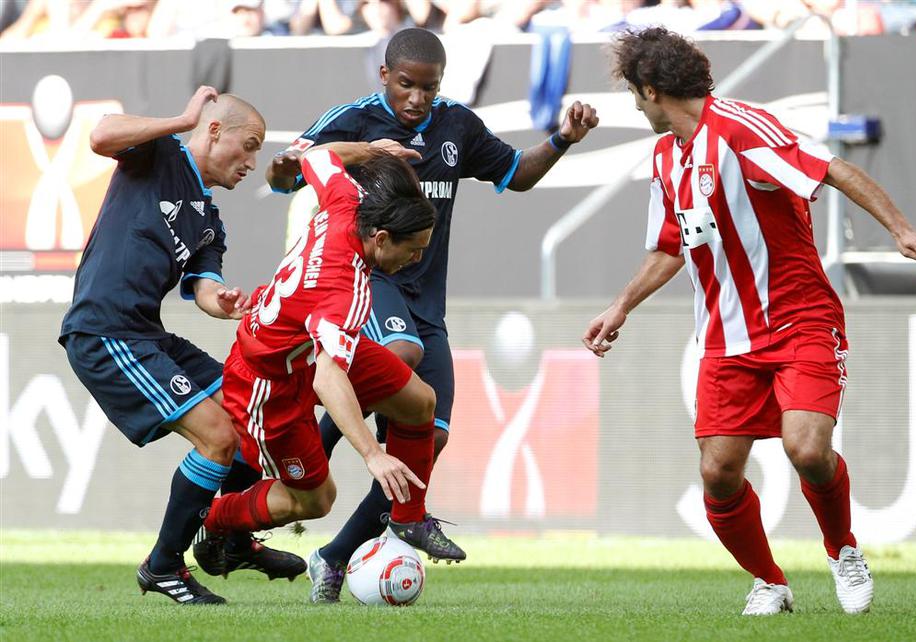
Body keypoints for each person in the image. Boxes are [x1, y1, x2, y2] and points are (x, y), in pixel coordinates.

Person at [584, 27, 916, 616]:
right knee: (718, 471)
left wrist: (901, 230)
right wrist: (621, 306)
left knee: (807, 448)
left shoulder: (742, 129)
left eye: (633, 94)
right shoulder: (665, 158)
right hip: (726, 338)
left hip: (800, 319)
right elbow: (672, 246)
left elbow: (832, 169)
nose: (635, 106)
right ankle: (769, 582)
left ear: (650, 89)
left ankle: (843, 550)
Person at [259, 26, 598, 603]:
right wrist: (343, 156)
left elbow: (516, 173)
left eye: (429, 88)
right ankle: (317, 445)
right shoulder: (354, 120)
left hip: (427, 300)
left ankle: (332, 557)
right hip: (367, 281)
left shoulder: (456, 125)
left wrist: (563, 138)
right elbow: (284, 174)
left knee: (428, 440)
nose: (417, 98)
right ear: (384, 76)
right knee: (403, 353)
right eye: (406, 85)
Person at [59, 87, 306, 605]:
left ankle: (228, 540)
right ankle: (164, 566)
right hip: (106, 331)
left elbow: (204, 289)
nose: (252, 163)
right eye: (249, 146)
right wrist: (183, 118)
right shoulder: (160, 152)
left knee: (249, 414)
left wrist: (225, 301)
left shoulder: (209, 221)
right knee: (216, 436)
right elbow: (100, 134)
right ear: (213, 131)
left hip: (146, 333)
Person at [193, 144, 467, 590]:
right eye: (413, 250)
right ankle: (212, 518)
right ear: (381, 239)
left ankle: (408, 519)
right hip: (271, 378)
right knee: (315, 500)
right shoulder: (344, 289)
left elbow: (316, 156)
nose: (416, 259)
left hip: (306, 343)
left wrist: (369, 151)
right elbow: (328, 376)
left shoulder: (347, 199)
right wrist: (373, 454)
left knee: (419, 401)